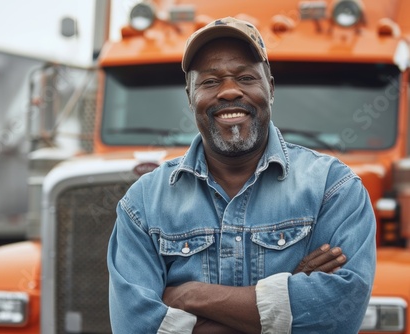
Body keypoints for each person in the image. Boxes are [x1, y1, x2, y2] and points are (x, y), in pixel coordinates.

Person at [107, 17, 376, 333]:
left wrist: (192, 296)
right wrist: (285, 302)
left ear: (270, 88)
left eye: (246, 77)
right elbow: (136, 326)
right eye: (209, 81)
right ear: (190, 96)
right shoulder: (142, 205)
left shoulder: (333, 189)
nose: (229, 91)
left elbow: (337, 317)